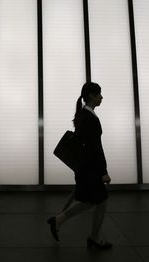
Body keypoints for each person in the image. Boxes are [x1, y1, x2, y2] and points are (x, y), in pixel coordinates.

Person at [47, 82, 112, 249]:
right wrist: (103, 171)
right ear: (90, 95)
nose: (101, 97)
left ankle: (59, 221)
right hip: (90, 170)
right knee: (99, 200)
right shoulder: (88, 119)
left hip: (85, 169)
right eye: (99, 94)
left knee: (92, 201)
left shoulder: (84, 116)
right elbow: (95, 147)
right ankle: (94, 238)